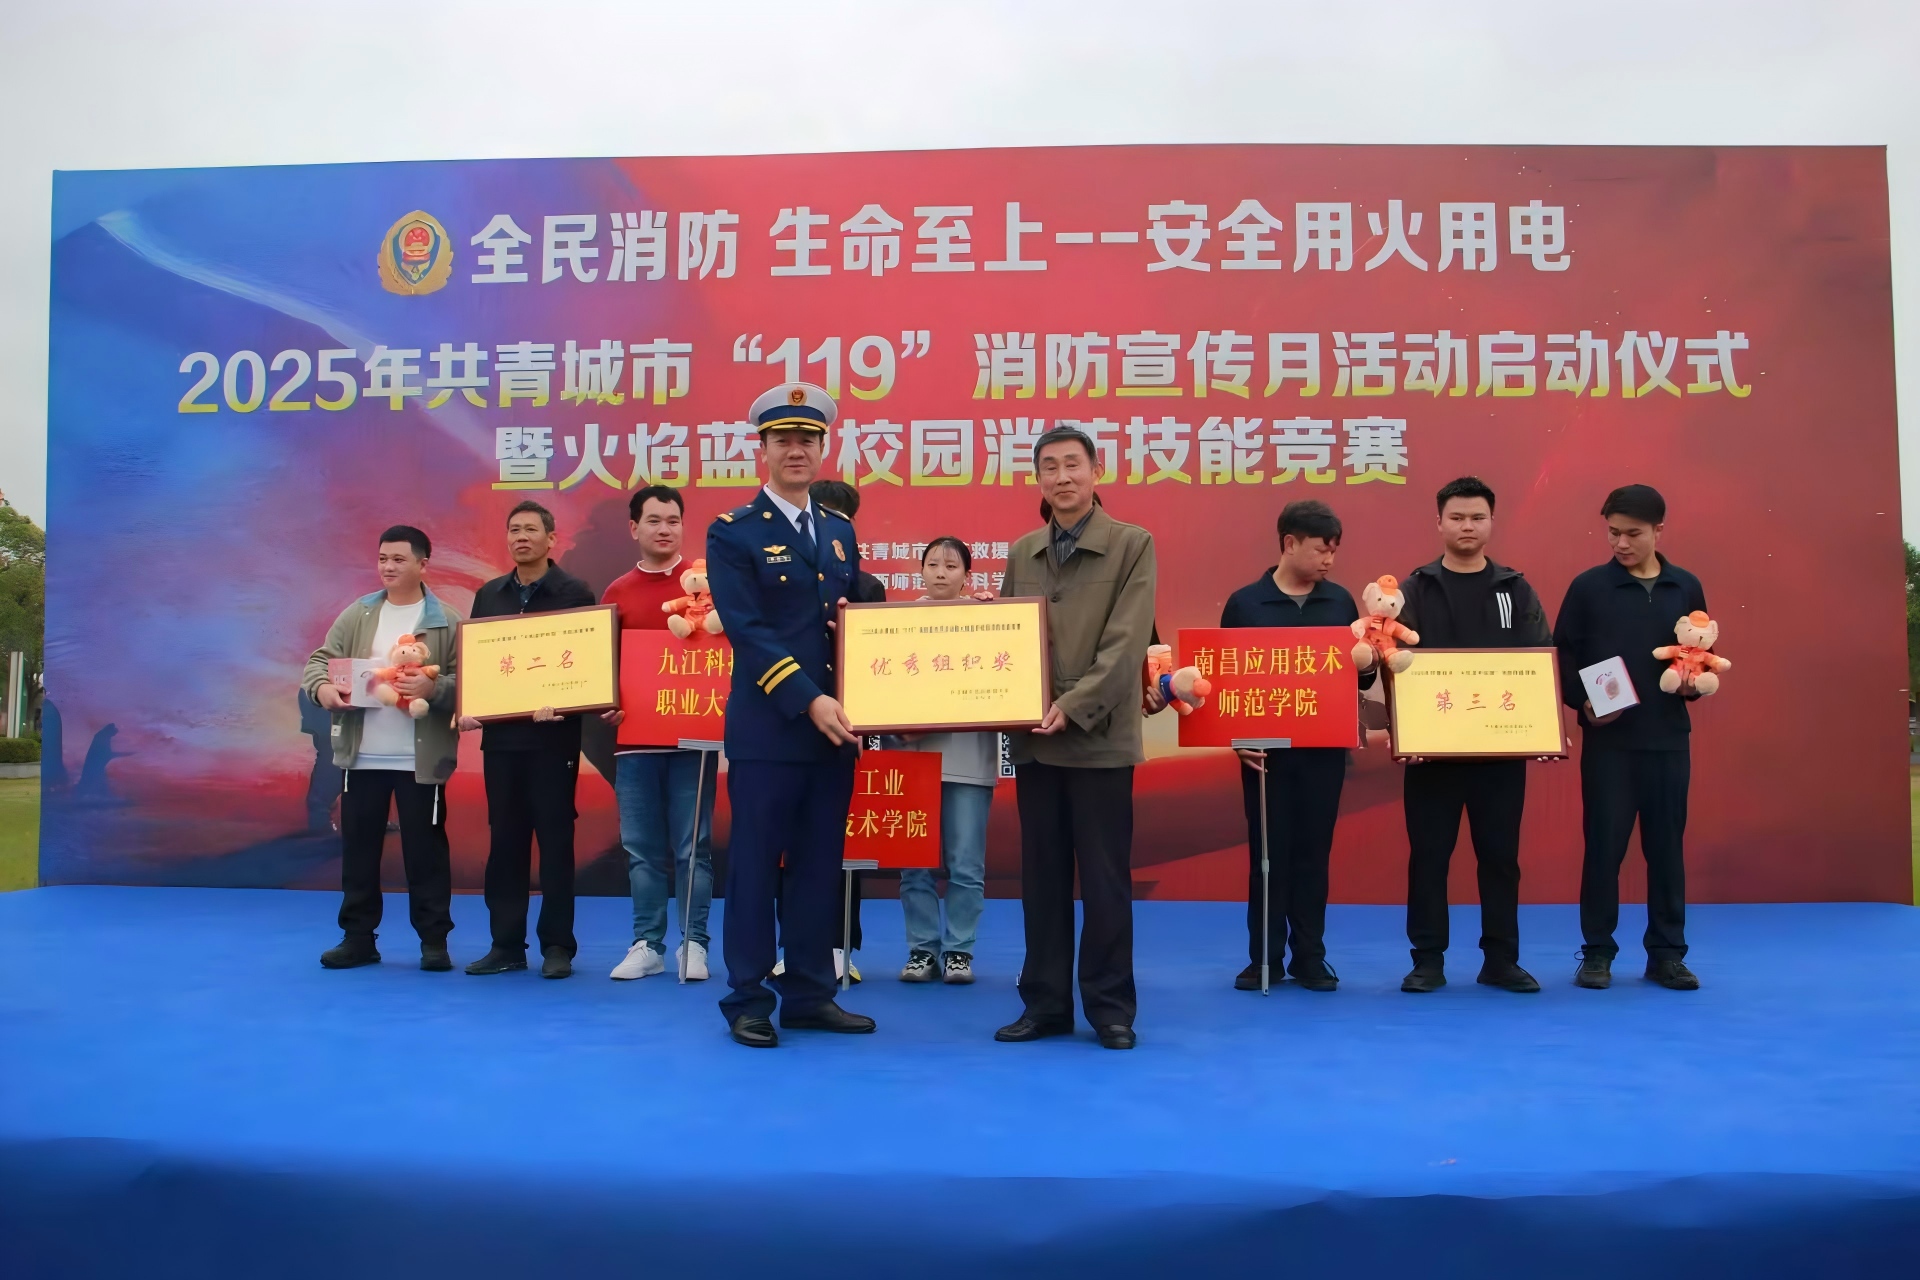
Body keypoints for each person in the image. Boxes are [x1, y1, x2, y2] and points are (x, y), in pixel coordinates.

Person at [703, 382, 873, 1048]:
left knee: (818, 866)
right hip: (770, 730)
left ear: (823, 448)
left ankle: (808, 993)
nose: (796, 450)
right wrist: (809, 698)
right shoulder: (733, 532)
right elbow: (748, 631)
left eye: (807, 439)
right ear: (763, 449)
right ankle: (747, 998)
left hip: (833, 735)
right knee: (754, 866)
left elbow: (845, 623)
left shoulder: (839, 531)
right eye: (783, 440)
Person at [995, 425, 1157, 1051]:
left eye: (1072, 465)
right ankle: (1045, 1005)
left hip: (1099, 741)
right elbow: (1004, 640)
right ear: (1037, 479)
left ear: (1096, 471)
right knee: (1041, 880)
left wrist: (1073, 704)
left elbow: (1127, 644)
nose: (1061, 477)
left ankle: (1111, 1008)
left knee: (1105, 881)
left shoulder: (1132, 544)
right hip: (1037, 742)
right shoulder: (1022, 551)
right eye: (1049, 468)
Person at [1395, 476, 1554, 994]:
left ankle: (1501, 960)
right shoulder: (1414, 589)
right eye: (1457, 517)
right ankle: (1427, 961)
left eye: (1477, 517)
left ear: (1491, 522)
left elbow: (1539, 658)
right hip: (1431, 757)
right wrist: (1407, 733)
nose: (1467, 526)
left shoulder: (1515, 588)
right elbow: (1394, 664)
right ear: (1439, 522)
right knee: (1429, 859)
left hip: (1499, 756)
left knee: (1500, 859)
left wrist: (1543, 728)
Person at [1552, 484, 1710, 991]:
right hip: (1609, 745)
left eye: (1633, 534)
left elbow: (1698, 654)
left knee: (1666, 850)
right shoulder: (1588, 587)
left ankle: (1667, 954)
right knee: (1603, 849)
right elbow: (1562, 654)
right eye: (1613, 532)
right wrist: (1582, 703)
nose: (1621, 543)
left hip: (1668, 740)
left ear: (1659, 531)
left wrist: (1693, 686)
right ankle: (1597, 952)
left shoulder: (1685, 587)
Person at [1219, 500, 1375, 993]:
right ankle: (1263, 959)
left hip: (1325, 754)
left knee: (1313, 855)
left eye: (1334, 551)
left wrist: (1369, 663)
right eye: (1320, 550)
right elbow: (1224, 682)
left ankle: (1311, 956)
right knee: (1268, 857)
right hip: (1264, 757)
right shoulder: (1246, 604)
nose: (1329, 560)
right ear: (1289, 543)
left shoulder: (1341, 603)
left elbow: (1359, 679)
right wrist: (1236, 741)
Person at [301, 525, 460, 971]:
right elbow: (320, 661)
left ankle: (434, 942)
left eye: (399, 559)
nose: (388, 567)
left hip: (419, 760)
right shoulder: (360, 613)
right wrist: (323, 690)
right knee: (359, 852)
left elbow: (470, 679)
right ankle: (358, 939)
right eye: (383, 558)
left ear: (423, 564)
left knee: (425, 854)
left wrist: (434, 686)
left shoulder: (446, 620)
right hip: (361, 757)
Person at [460, 500, 607, 980]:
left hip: (552, 740)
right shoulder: (489, 595)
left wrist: (564, 702)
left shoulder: (574, 593)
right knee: (505, 843)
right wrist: (471, 705)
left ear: (551, 539)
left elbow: (585, 664)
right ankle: (505, 944)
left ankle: (558, 946)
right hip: (502, 742)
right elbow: (479, 664)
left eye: (530, 530)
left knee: (555, 842)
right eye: (514, 530)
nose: (521, 537)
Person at [602, 484, 718, 982]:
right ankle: (647, 943)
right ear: (634, 528)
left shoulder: (708, 586)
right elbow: (603, 666)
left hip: (695, 738)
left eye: (673, 520)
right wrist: (607, 701)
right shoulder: (617, 592)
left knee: (694, 848)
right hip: (634, 741)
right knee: (641, 850)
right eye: (653, 520)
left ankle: (695, 944)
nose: (664, 529)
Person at [890, 536, 997, 985]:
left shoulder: (989, 621)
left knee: (966, 864)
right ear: (920, 570)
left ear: (968, 576)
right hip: (912, 759)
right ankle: (922, 949)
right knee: (914, 864)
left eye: (951, 566)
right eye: (932, 564)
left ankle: (958, 952)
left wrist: (997, 616)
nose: (940, 573)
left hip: (969, 758)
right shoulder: (895, 625)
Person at [797, 476, 888, 981]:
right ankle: (793, 945)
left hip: (848, 733)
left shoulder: (866, 587)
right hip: (792, 723)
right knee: (791, 847)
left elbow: (878, 665)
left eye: (841, 522)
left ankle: (840, 945)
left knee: (841, 843)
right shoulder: (781, 578)